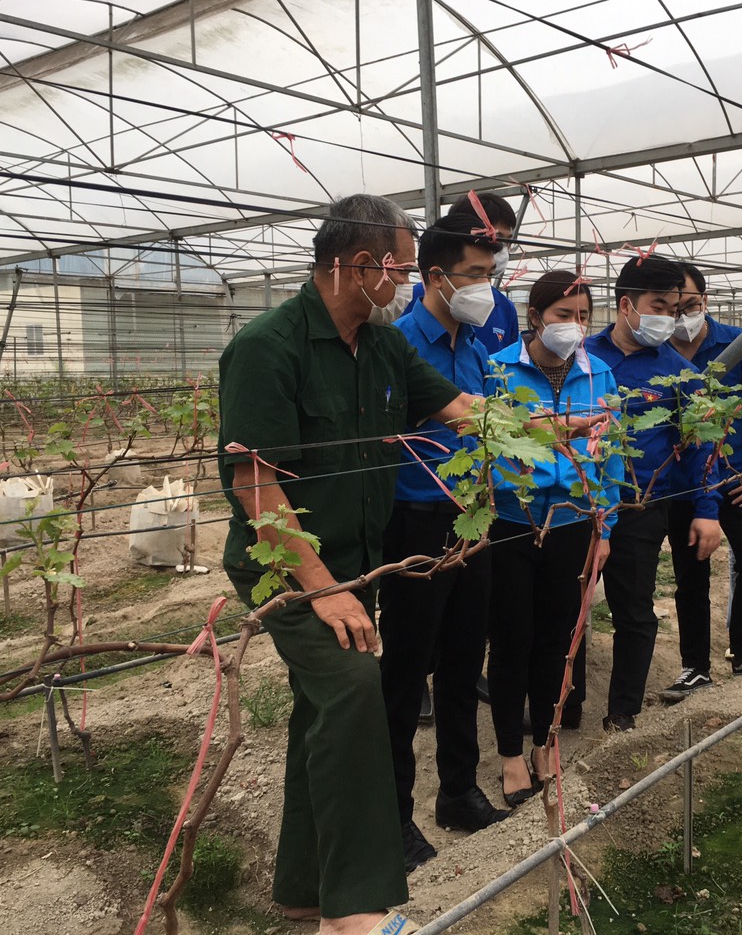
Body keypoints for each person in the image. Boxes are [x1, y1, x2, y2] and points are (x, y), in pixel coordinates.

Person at [217, 194, 468, 935]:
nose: (411, 284)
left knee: (321, 709)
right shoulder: (269, 347)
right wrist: (323, 590)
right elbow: (254, 484)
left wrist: (550, 427)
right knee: (355, 687)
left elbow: (458, 408)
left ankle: (304, 888)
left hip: (358, 564)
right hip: (284, 566)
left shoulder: (385, 347)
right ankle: (353, 909)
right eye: (404, 269)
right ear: (361, 266)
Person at [377, 213, 507, 877]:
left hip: (473, 520)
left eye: (491, 274)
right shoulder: (398, 345)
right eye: (475, 275)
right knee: (405, 670)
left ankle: (458, 791)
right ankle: (391, 816)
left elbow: (488, 429)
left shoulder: (476, 348)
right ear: (435, 277)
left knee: (462, 659)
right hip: (416, 522)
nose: (487, 288)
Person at [485, 270, 621, 804]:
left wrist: (604, 527)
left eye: (584, 316)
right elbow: (483, 445)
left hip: (571, 523)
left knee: (557, 638)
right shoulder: (498, 370)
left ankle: (544, 741)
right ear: (535, 316)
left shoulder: (599, 374)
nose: (575, 326)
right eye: (564, 315)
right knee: (511, 637)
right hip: (512, 523)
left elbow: (609, 458)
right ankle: (509, 754)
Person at [585, 254, 723, 734]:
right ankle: (565, 702)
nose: (667, 318)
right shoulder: (583, 357)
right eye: (658, 307)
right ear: (626, 305)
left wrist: (707, 510)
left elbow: (700, 447)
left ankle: (622, 712)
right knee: (568, 606)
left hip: (641, 505)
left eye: (674, 308)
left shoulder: (678, 373)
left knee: (634, 609)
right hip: (577, 503)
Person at [659, 262, 742, 703]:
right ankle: (695, 667)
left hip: (740, 476)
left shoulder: (739, 342)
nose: (682, 316)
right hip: (685, 483)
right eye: (674, 308)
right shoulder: (656, 348)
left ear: (705, 300)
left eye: (691, 305)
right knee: (690, 574)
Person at [405, 192, 521, 354]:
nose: (501, 248)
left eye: (507, 241)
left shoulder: (504, 309)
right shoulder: (408, 301)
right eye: (496, 237)